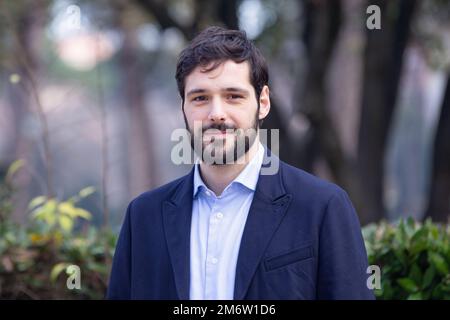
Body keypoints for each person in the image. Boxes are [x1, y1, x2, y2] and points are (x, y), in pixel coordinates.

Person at [107, 26, 374, 300]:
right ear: (183, 108)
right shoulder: (142, 217)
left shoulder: (322, 207)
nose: (217, 114)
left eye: (233, 96)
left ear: (264, 102)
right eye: (200, 98)